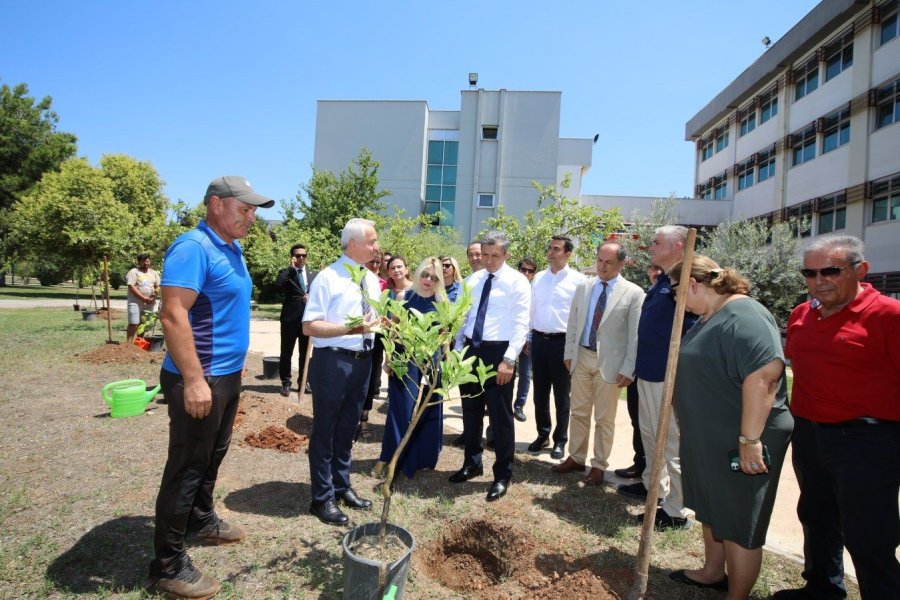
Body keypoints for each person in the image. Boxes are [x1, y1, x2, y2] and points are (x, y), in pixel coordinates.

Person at [147, 176, 274, 598]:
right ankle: (168, 565)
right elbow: (172, 315)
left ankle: (200, 520)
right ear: (216, 205)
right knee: (187, 466)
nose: (251, 217)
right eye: (245, 209)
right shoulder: (193, 248)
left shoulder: (231, 248)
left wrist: (229, 372)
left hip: (224, 375)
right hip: (197, 378)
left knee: (212, 455)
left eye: (254, 210)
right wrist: (196, 380)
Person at [775, 235, 900, 600]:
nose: (819, 280)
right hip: (810, 434)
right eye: (809, 273)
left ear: (860, 270)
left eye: (830, 270)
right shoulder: (802, 314)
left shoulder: (889, 316)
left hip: (868, 440)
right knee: (816, 516)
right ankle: (822, 589)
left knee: (868, 535)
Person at [667, 256, 793, 598]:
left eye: (675, 292)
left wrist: (749, 439)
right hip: (710, 436)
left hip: (742, 437)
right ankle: (712, 571)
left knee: (738, 520)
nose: (675, 300)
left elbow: (765, 376)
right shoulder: (709, 316)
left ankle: (737, 595)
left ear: (692, 284)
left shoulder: (745, 315)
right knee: (712, 505)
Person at [302, 218, 381, 525]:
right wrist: (352, 326)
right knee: (326, 429)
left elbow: (372, 320)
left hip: (363, 361)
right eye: (372, 241)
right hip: (332, 362)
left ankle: (341, 485)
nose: (376, 246)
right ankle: (322, 499)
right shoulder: (328, 277)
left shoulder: (370, 279)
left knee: (348, 427)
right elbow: (310, 326)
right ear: (353, 245)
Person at [618, 225, 695, 530]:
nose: (650, 246)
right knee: (651, 437)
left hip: (669, 377)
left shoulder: (688, 279)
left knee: (672, 444)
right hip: (648, 374)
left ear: (678, 245)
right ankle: (655, 492)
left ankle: (675, 511)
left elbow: (692, 329)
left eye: (656, 242)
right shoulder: (664, 279)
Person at [450, 231, 530, 501]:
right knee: (470, 410)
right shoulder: (472, 281)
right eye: (484, 255)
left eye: (495, 255)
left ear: (506, 255)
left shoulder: (517, 282)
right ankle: (472, 463)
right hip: (472, 350)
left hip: (499, 354)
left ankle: (502, 475)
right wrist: (459, 351)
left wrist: (509, 359)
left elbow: (521, 324)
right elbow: (463, 319)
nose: (488, 260)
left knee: (500, 417)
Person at [559, 242, 643, 484]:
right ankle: (576, 458)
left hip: (611, 364)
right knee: (579, 412)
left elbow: (635, 335)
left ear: (621, 264)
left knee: (604, 419)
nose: (602, 266)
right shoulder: (584, 287)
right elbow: (574, 323)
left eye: (609, 262)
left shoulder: (633, 293)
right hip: (581, 357)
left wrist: (629, 368)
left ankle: (599, 466)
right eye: (599, 261)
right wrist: (569, 352)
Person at [375, 257, 447, 478]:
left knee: (427, 410)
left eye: (434, 277)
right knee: (401, 411)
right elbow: (393, 330)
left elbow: (445, 336)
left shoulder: (442, 302)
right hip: (404, 360)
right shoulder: (403, 296)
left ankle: (422, 459)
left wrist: (445, 360)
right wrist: (388, 359)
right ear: (417, 274)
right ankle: (389, 458)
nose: (428, 280)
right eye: (424, 275)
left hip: (431, 364)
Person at [528, 237, 586, 459]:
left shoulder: (579, 281)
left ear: (568, 254)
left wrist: (573, 348)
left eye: (556, 249)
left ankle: (560, 440)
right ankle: (542, 434)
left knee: (562, 395)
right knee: (539, 393)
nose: (551, 252)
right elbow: (531, 309)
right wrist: (528, 338)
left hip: (563, 343)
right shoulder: (539, 278)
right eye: (549, 248)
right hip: (539, 341)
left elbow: (581, 316)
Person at [614, 264, 662, 480]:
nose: (656, 273)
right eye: (653, 268)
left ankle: (652, 476)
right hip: (638, 369)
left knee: (656, 426)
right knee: (638, 421)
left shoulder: (669, 297)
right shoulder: (648, 294)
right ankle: (641, 464)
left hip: (657, 373)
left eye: (660, 269)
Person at [275, 244, 317, 397]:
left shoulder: (314, 275)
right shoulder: (286, 273)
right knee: (286, 352)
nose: (301, 258)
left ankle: (303, 381)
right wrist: (290, 269)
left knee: (305, 352)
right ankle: (286, 382)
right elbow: (278, 285)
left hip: (307, 320)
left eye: (303, 255)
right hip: (289, 319)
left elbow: (320, 295)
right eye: (298, 255)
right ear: (292, 257)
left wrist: (311, 298)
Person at [357, 246, 389, 442]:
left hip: (376, 337)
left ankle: (364, 418)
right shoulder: (355, 280)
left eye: (378, 262)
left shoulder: (384, 284)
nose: (375, 266)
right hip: (355, 334)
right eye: (372, 262)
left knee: (371, 378)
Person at [513, 257, 536, 422]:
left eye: (530, 271)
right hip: (508, 338)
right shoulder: (511, 288)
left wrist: (528, 338)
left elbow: (533, 319)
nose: (526, 273)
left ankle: (519, 406)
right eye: (523, 269)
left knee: (525, 374)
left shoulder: (536, 291)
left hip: (527, 340)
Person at [125, 253, 160, 342]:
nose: (146, 263)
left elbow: (158, 286)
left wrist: (153, 297)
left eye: (147, 261)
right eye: (143, 261)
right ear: (139, 262)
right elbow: (131, 286)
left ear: (150, 262)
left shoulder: (154, 273)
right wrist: (143, 298)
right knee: (134, 322)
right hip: (135, 301)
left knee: (143, 323)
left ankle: (139, 342)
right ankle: (128, 344)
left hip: (150, 302)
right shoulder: (134, 272)